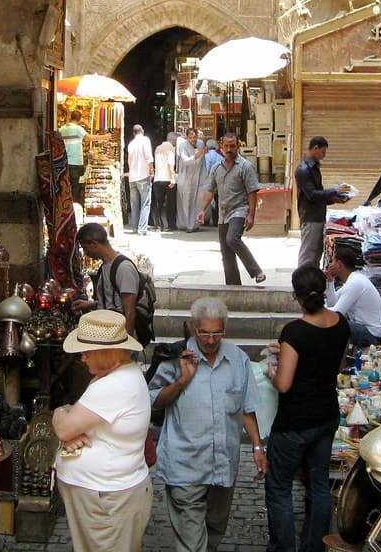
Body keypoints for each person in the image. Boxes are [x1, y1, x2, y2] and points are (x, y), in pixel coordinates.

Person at [149, 296, 267, 552]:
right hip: (184, 465)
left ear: (224, 329)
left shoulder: (238, 359)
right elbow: (153, 401)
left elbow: (246, 407)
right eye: (205, 333)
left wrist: (258, 447)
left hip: (223, 466)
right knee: (192, 543)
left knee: (214, 531)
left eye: (217, 333)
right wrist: (182, 380)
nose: (211, 340)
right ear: (194, 328)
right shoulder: (175, 357)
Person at [265, 265, 350, 552]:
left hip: (295, 421)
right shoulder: (341, 323)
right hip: (326, 416)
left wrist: (271, 373)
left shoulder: (294, 332)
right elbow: (337, 366)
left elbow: (284, 384)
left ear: (298, 297)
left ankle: (284, 548)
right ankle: (315, 546)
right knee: (319, 484)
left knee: (279, 488)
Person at [52, 310, 152, 552]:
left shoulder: (114, 384)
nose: (83, 358)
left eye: (87, 352)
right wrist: (69, 418)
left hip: (108, 499)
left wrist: (59, 412)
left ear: (108, 352)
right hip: (106, 497)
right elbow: (75, 422)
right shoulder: (117, 375)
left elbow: (64, 427)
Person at [197, 133, 266, 285]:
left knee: (232, 238)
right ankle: (233, 285)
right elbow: (210, 190)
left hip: (239, 210)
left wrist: (251, 215)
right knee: (226, 252)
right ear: (221, 147)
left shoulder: (246, 167)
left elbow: (252, 192)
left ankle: (256, 271)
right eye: (226, 146)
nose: (229, 149)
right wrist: (203, 210)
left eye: (232, 146)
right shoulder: (216, 168)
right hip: (223, 214)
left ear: (238, 146)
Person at [74, 222, 138, 338]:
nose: (85, 253)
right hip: (109, 335)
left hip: (119, 337)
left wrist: (125, 347)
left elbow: (130, 313)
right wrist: (90, 305)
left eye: (85, 248)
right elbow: (112, 302)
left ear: (94, 244)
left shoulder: (124, 269)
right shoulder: (104, 267)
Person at [295, 136, 347, 268]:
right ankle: (302, 283)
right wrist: (334, 191)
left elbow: (319, 194)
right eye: (323, 152)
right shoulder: (303, 170)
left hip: (318, 217)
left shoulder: (313, 168)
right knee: (308, 256)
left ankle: (311, 282)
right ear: (315, 148)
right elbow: (312, 194)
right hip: (311, 218)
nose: (324, 156)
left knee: (315, 255)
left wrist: (333, 199)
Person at [324, 245, 381, 348]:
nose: (330, 264)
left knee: (335, 324)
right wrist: (330, 281)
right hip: (366, 330)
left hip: (373, 335)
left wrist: (317, 312)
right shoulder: (354, 280)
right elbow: (333, 303)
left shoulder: (355, 282)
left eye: (333, 261)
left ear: (339, 264)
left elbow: (337, 313)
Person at [58, 110, 107, 205]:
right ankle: (75, 209)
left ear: (70, 117)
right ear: (79, 119)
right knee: (76, 188)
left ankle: (66, 209)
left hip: (64, 163)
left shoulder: (61, 130)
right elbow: (89, 138)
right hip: (76, 164)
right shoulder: (78, 129)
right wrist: (104, 137)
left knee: (65, 188)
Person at [176, 128, 208, 232]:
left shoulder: (200, 144)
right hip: (186, 177)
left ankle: (195, 224)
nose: (192, 140)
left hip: (198, 177)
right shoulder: (182, 146)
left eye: (194, 137)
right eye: (190, 137)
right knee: (187, 201)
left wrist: (204, 178)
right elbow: (185, 161)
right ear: (187, 137)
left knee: (197, 201)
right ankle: (188, 225)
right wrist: (197, 155)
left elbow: (203, 162)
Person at [126, 124, 153, 235]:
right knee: (145, 202)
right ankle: (142, 228)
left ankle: (135, 227)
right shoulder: (145, 140)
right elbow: (148, 156)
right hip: (143, 176)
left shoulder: (131, 144)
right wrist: (151, 170)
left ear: (133, 133)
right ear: (143, 131)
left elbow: (129, 161)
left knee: (134, 204)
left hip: (132, 178)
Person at [152, 132, 178, 231]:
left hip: (158, 179)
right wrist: (173, 178)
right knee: (170, 204)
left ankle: (158, 225)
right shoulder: (170, 148)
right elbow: (170, 165)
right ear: (173, 140)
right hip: (167, 179)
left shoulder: (158, 148)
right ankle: (171, 225)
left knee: (158, 203)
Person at [202, 139, 222, 226]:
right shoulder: (220, 157)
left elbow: (205, 169)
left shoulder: (206, 156)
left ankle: (205, 219)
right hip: (219, 181)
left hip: (209, 181)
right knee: (217, 201)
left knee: (207, 200)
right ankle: (216, 220)